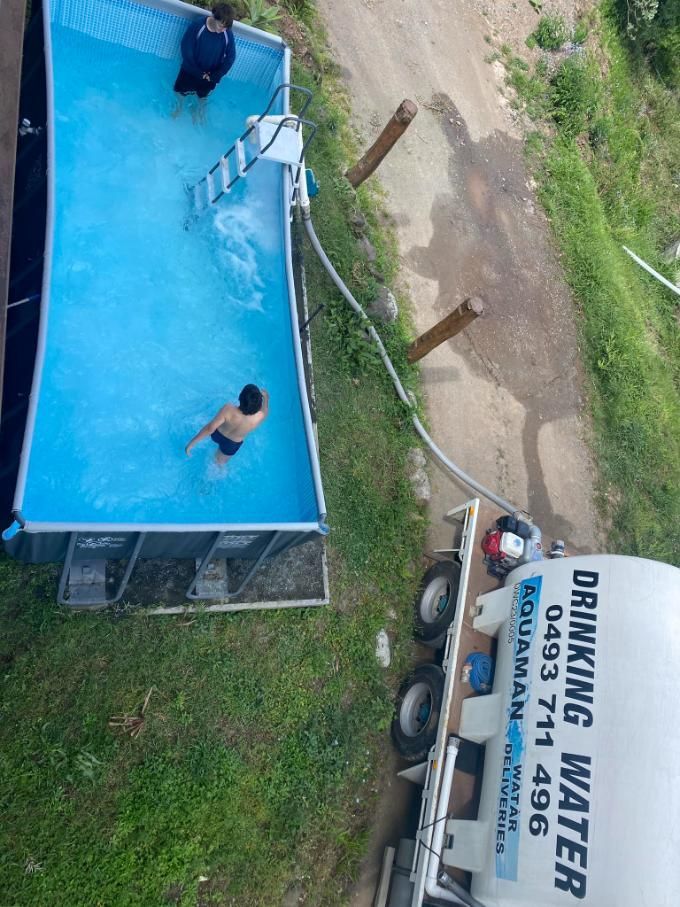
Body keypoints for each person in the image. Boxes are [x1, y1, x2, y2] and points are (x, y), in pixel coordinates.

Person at [172, 4, 236, 123]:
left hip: (210, 75)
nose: (223, 30)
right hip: (190, 71)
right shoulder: (198, 26)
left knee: (203, 97)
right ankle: (179, 107)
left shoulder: (227, 34)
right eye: (221, 26)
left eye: (226, 28)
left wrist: (216, 75)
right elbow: (186, 50)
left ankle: (197, 112)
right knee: (180, 92)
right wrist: (198, 72)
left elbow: (231, 57)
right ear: (214, 17)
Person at [185, 385, 269, 466]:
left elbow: (210, 428)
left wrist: (191, 444)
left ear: (240, 397)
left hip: (217, 435)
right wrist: (266, 398)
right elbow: (265, 410)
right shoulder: (258, 417)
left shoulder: (228, 409)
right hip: (231, 445)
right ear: (258, 406)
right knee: (219, 464)